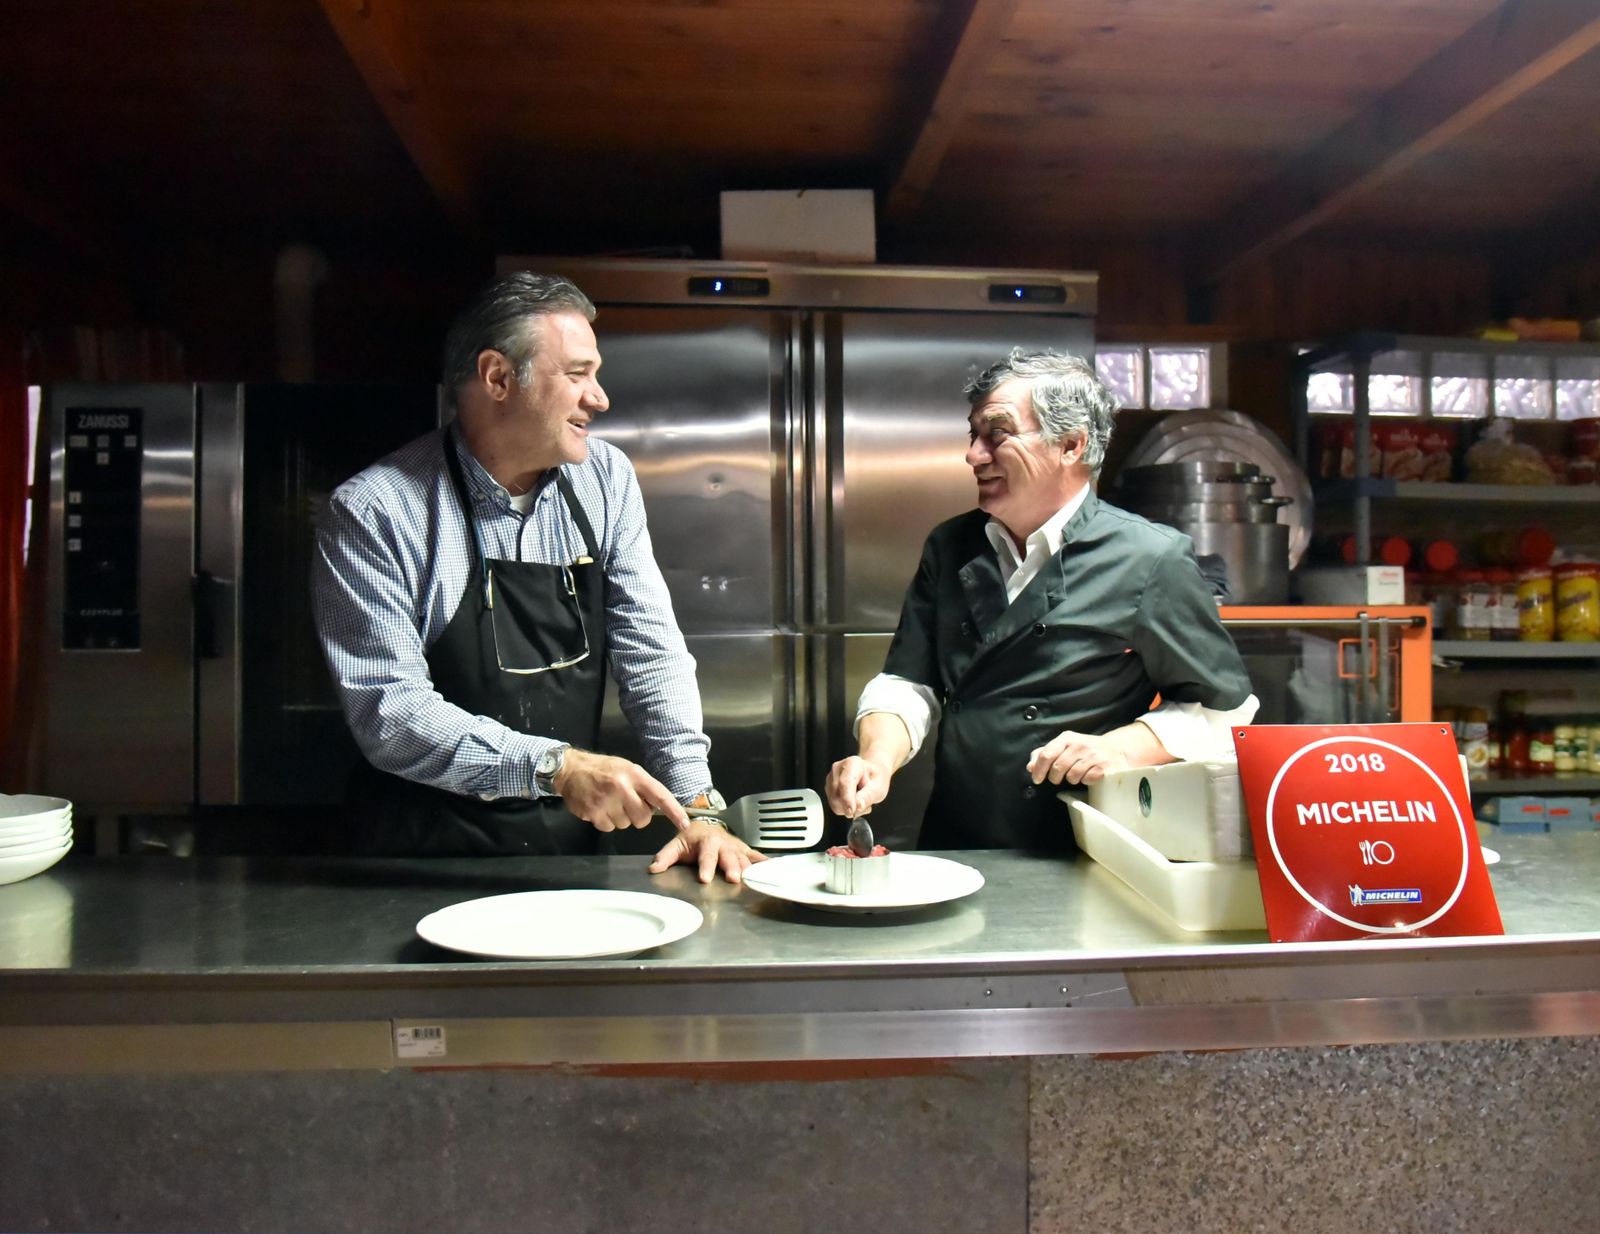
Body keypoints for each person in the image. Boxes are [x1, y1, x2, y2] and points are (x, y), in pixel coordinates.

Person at [312, 272, 761, 883]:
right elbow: (390, 713)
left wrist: (699, 805)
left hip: (570, 857)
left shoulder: (604, 479)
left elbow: (649, 651)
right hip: (423, 860)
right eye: (577, 374)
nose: (599, 398)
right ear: (498, 377)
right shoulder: (377, 511)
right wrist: (557, 768)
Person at [826, 349, 1258, 851]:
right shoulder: (951, 546)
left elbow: (1225, 708)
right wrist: (877, 759)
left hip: (1082, 842)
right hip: (956, 829)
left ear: (1071, 444)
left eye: (998, 435)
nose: (973, 455)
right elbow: (910, 680)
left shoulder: (1150, 558)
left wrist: (1120, 747)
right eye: (974, 436)